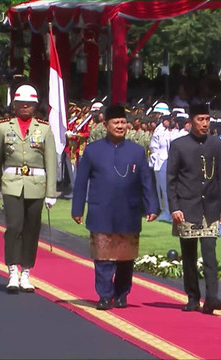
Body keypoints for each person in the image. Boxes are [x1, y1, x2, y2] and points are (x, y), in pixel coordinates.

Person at [71, 104, 158, 310]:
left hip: (128, 211)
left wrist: (152, 206)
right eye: (115, 122)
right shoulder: (93, 150)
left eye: (122, 122)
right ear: (106, 124)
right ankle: (104, 294)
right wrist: (77, 209)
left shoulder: (137, 151)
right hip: (101, 210)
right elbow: (81, 182)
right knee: (102, 257)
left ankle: (121, 294)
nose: (120, 126)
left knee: (125, 257)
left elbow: (146, 181)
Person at [0, 84, 57, 293]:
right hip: (12, 183)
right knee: (14, 227)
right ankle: (12, 271)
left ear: (35, 106)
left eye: (29, 103)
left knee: (32, 229)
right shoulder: (3, 128)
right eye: (21, 103)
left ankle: (26, 272)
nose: (25, 106)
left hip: (36, 185)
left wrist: (51, 192)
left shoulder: (44, 129)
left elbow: (51, 162)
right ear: (14, 105)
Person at [167, 103, 221, 315]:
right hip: (186, 208)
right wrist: (174, 207)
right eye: (200, 119)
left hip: (210, 208)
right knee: (189, 255)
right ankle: (193, 297)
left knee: (210, 255)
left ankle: (212, 298)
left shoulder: (216, 144)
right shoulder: (179, 145)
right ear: (191, 121)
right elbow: (171, 180)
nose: (204, 124)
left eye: (207, 119)